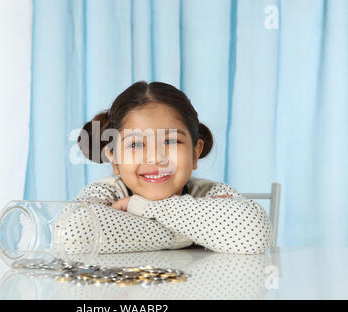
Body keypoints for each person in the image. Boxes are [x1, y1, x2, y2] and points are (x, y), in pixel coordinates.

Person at [70, 81, 272, 255]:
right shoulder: (106, 193)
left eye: (171, 141)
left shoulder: (209, 193)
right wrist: (187, 233)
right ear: (114, 159)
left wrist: (140, 207)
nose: (156, 158)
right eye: (136, 144)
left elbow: (254, 233)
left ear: (195, 152)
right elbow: (73, 234)